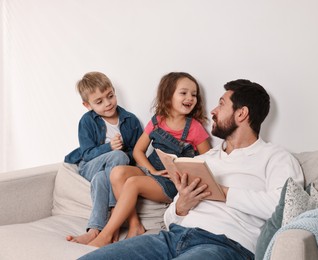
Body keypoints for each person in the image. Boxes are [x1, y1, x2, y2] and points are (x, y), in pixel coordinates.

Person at [80, 79, 304, 260]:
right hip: (172, 238)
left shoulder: (276, 157)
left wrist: (222, 192)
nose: (213, 111)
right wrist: (181, 206)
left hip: (224, 246)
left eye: (222, 104)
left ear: (242, 113)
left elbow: (284, 208)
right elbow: (170, 219)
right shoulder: (205, 159)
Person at [87, 72, 211, 247]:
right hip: (152, 170)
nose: (190, 98)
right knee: (117, 172)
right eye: (183, 93)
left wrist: (181, 175)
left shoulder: (195, 128)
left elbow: (208, 163)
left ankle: (105, 236)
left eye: (194, 94)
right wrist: (151, 170)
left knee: (133, 183)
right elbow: (138, 151)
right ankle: (134, 225)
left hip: (170, 182)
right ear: (168, 95)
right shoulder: (158, 121)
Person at [64, 71, 143, 244]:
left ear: (114, 91)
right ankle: (115, 212)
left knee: (102, 178)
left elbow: (137, 153)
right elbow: (86, 153)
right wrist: (109, 148)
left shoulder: (131, 120)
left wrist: (122, 153)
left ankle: (94, 230)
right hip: (89, 166)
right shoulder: (86, 121)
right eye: (99, 102)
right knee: (116, 155)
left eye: (110, 96)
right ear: (87, 105)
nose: (107, 104)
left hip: (111, 172)